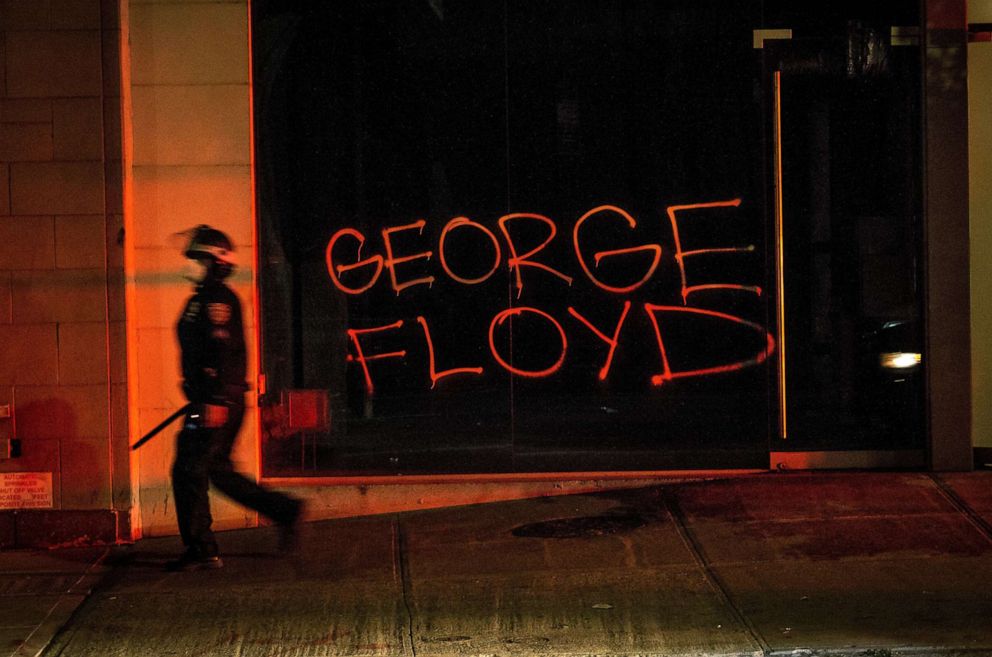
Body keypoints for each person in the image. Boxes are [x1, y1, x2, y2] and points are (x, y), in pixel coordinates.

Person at [166, 225, 303, 572]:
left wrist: (214, 400)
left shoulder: (217, 300)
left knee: (189, 469)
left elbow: (222, 351)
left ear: (214, 263)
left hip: (217, 403)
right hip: (211, 401)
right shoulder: (201, 298)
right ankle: (284, 510)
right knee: (216, 470)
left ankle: (202, 549)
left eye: (198, 258)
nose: (191, 264)